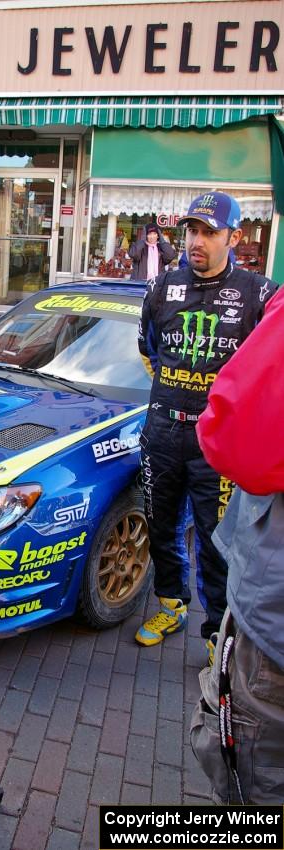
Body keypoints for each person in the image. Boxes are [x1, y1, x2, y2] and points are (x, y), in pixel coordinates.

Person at [134, 191, 278, 655]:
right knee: (160, 526)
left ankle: (218, 631)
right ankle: (171, 604)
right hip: (161, 431)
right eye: (192, 230)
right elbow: (148, 353)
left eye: (210, 233)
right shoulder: (161, 288)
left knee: (216, 541)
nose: (197, 241)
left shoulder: (260, 293)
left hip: (214, 443)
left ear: (234, 237)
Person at [191, 285, 284, 804]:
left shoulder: (256, 296)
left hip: (272, 627)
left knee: (255, 794)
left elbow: (231, 432)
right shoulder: (164, 291)